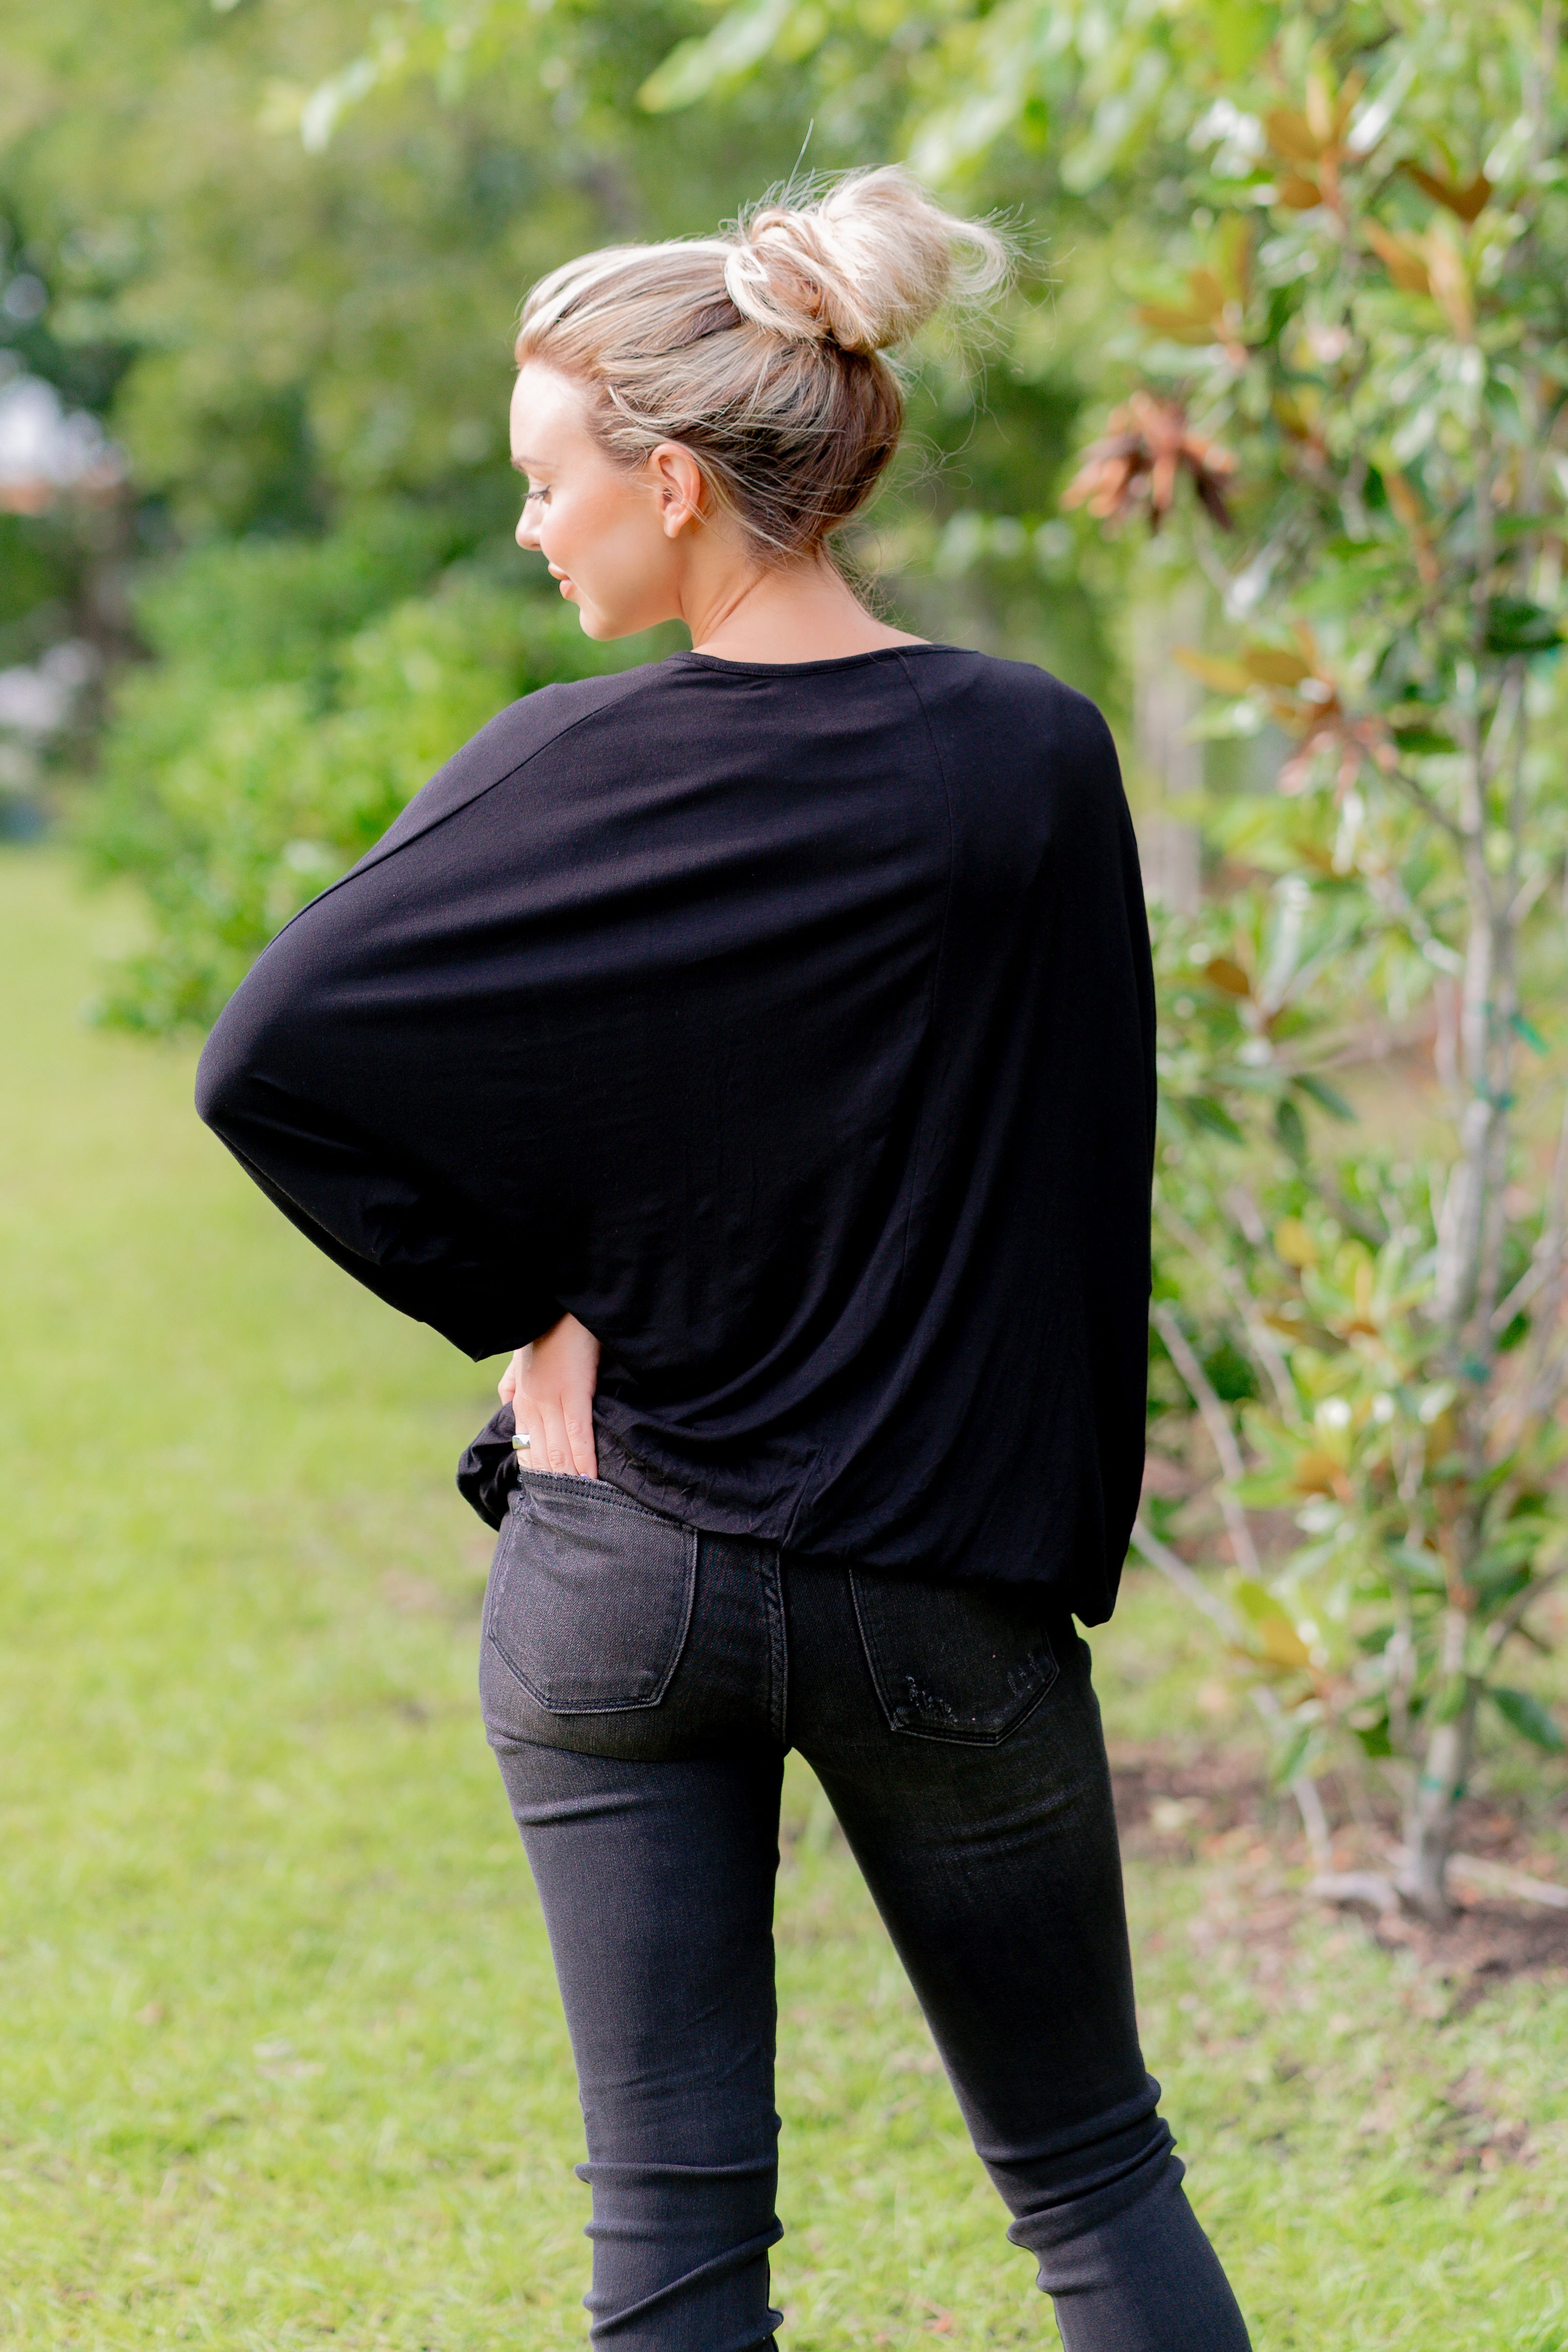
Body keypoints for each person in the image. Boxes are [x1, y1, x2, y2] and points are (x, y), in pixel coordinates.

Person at [195, 167, 1251, 2352]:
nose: (531, 527)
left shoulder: (556, 770)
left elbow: (268, 1055)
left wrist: (520, 1307)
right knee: (1092, 2178)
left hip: (619, 1567)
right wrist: (1036, 1554)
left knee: (672, 2243)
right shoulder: (1030, 760)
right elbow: (1081, 1177)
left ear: (671, 482)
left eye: (546, 481)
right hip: (939, 1585)